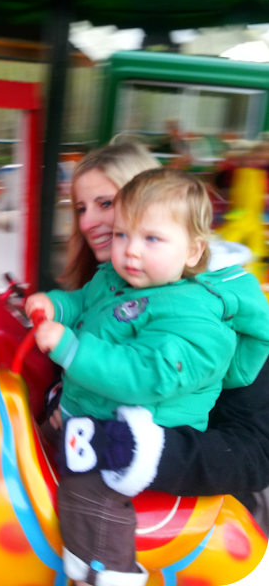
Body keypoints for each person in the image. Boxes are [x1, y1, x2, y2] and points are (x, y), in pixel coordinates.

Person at [26, 158, 269, 586]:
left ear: (192, 250)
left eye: (150, 237)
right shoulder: (118, 279)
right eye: (123, 233)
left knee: (89, 495)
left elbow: (145, 374)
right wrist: (54, 306)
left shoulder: (195, 314)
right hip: (89, 417)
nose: (129, 248)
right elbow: (84, 301)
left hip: (140, 436)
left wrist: (69, 347)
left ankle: (106, 571)